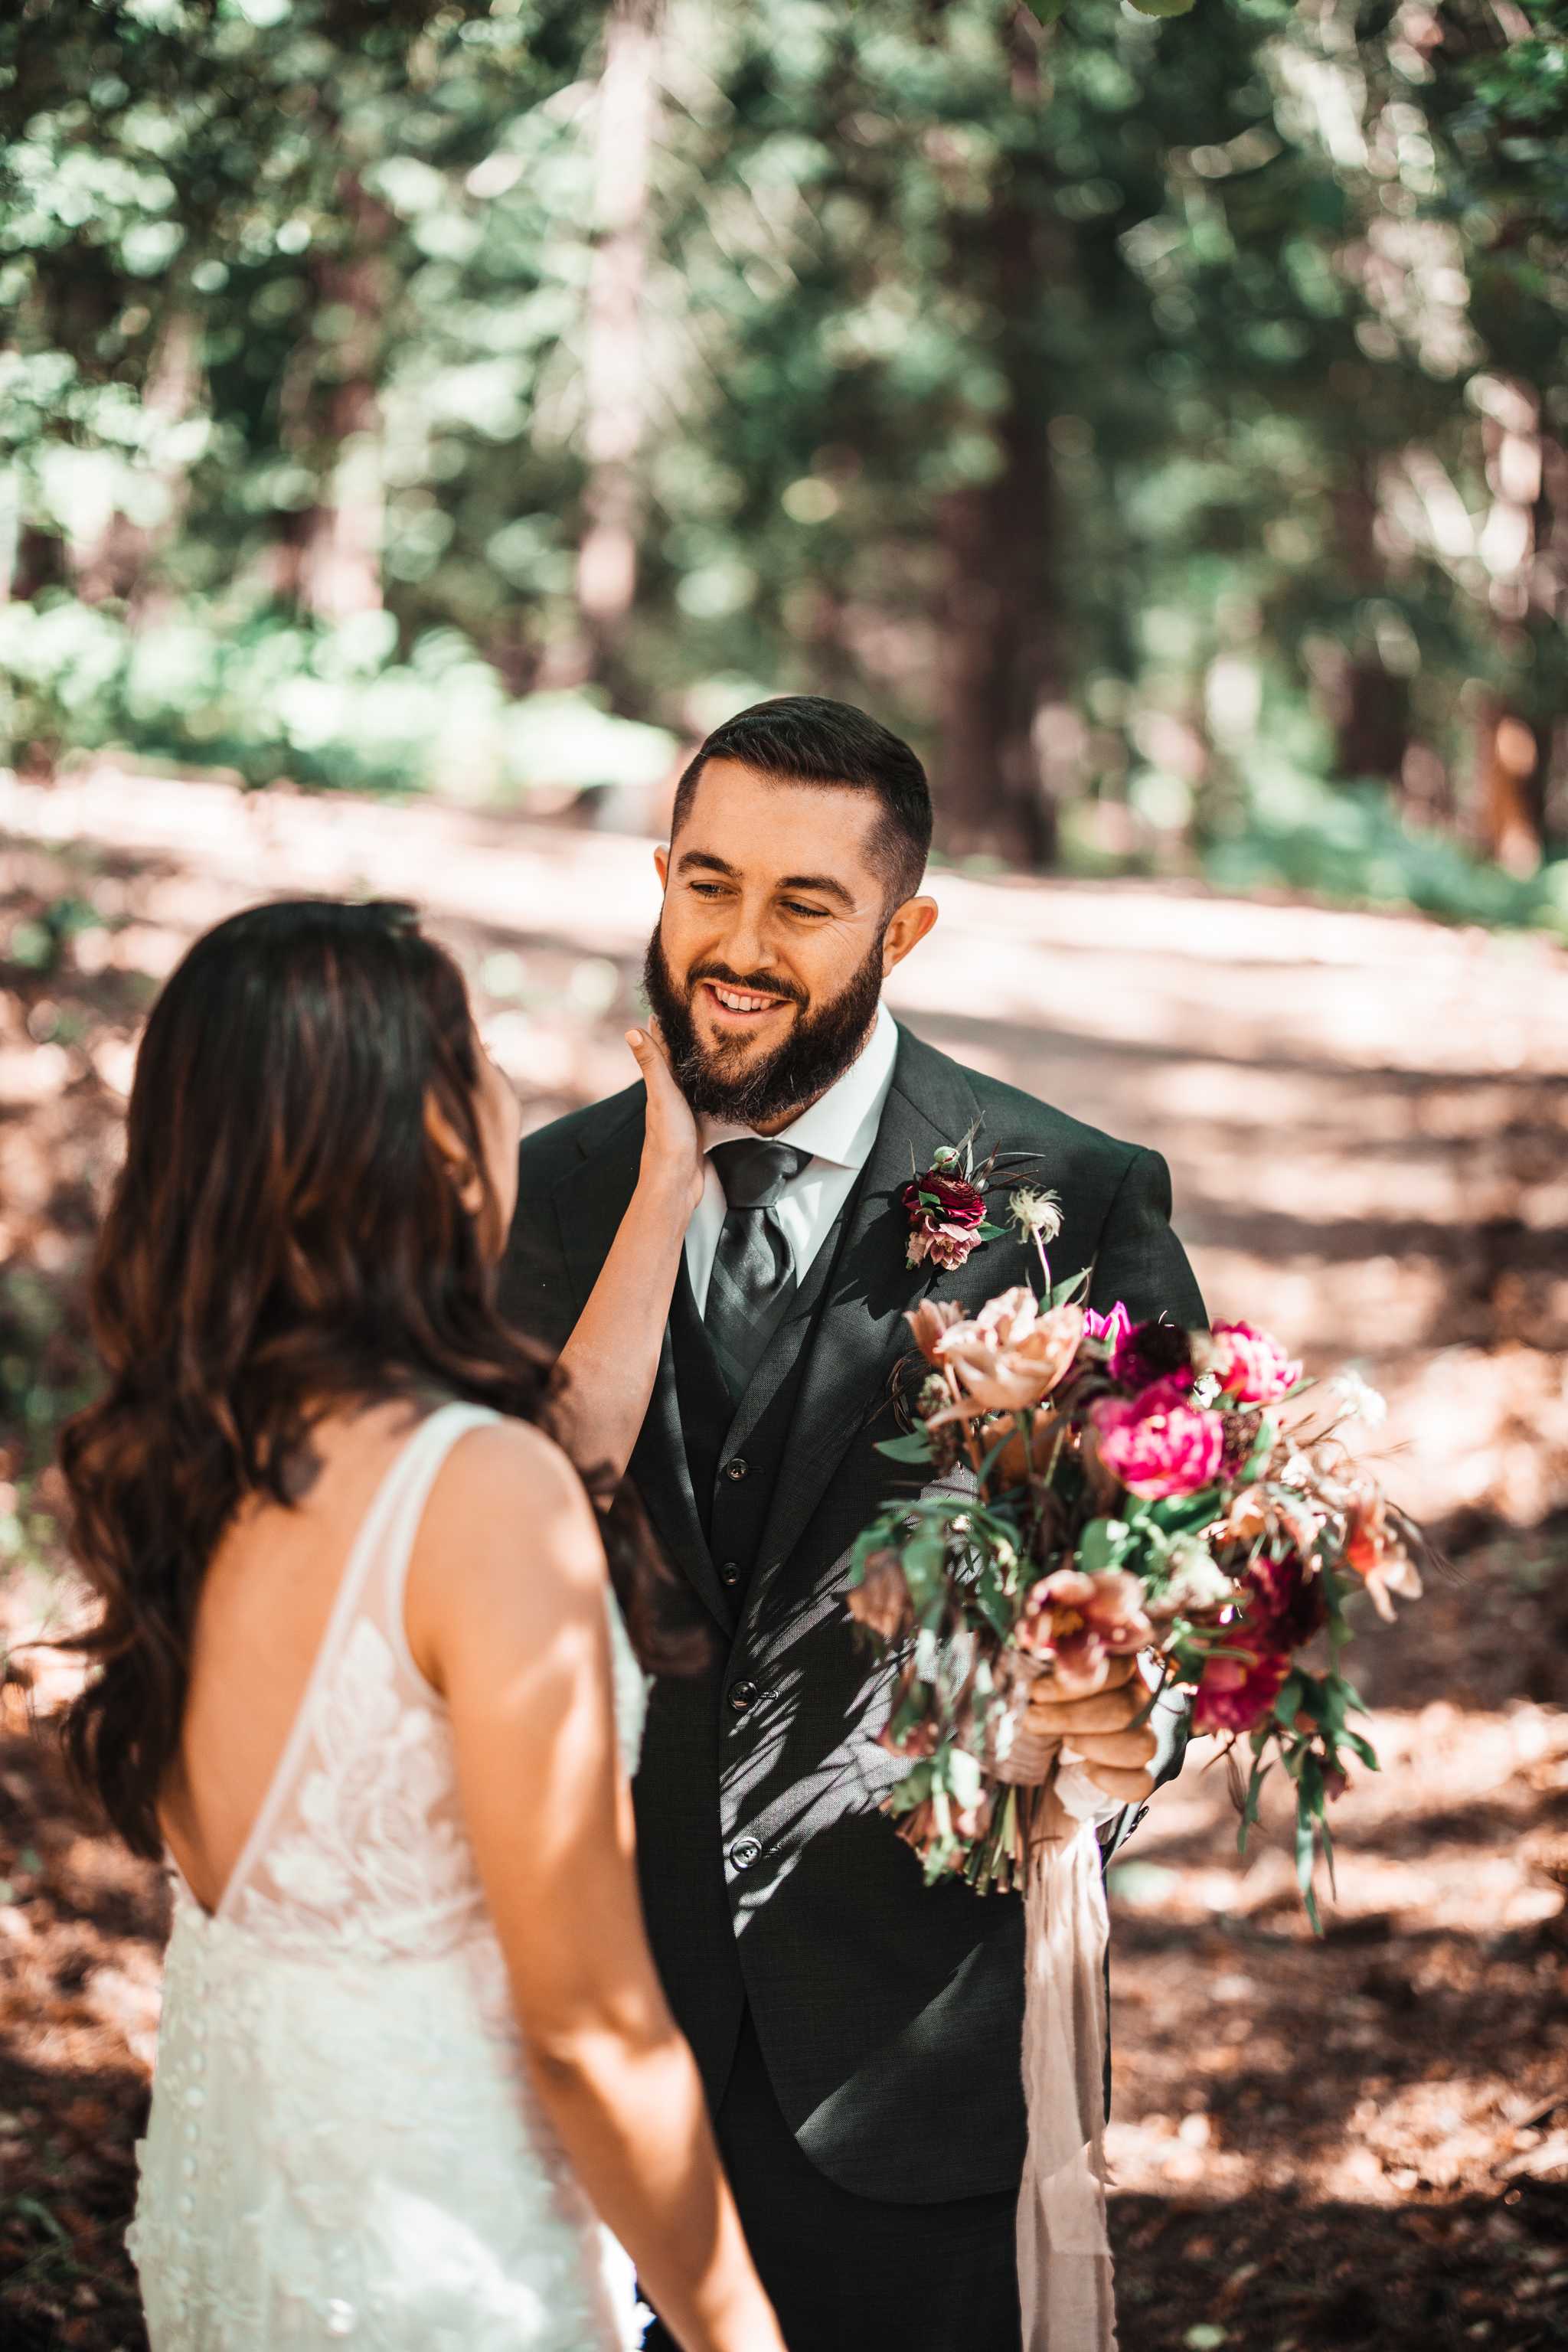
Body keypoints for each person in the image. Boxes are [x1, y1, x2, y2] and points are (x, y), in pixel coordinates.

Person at [501, 694, 1207, 2352]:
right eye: (706, 884)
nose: (735, 947)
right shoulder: (539, 1191)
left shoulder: (1072, 1200)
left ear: (905, 929)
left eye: (802, 906)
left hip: (901, 2058)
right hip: (571, 2035)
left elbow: (1175, 1578)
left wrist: (1127, 1711)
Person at [57, 898, 787, 2352]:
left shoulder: (202, 1450)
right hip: (441, 2268)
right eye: (480, 1054)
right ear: (436, 1140)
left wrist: (663, 1192)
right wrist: (738, 2333)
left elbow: (528, 1474)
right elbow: (590, 2032)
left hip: (240, 2231)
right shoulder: (476, 1501)